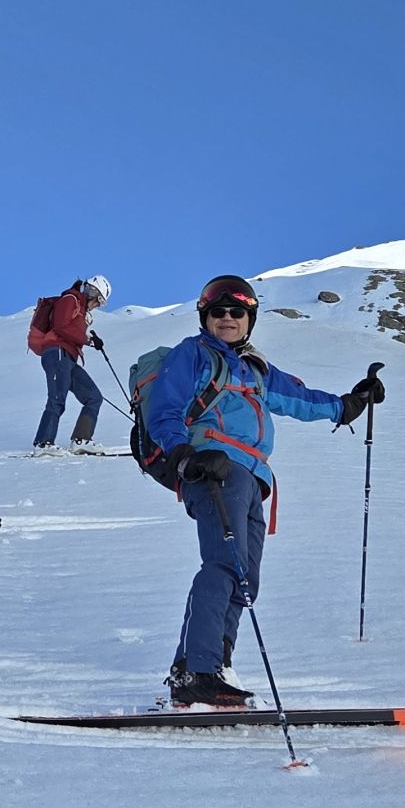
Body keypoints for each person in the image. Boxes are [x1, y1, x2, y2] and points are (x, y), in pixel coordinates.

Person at [145, 274, 386, 707]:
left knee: (245, 578)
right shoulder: (192, 354)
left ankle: (210, 668)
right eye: (218, 312)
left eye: (237, 312)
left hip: (253, 477)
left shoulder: (255, 368)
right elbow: (165, 409)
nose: (228, 318)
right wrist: (184, 454)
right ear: (205, 318)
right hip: (212, 467)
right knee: (224, 565)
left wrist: (351, 403)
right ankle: (199, 671)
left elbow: (299, 399)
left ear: (249, 319)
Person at [28, 274, 111, 452]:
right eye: (98, 301)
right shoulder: (70, 299)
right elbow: (60, 326)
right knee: (57, 398)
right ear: (92, 292)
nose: (97, 306)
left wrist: (90, 340)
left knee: (94, 397)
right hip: (56, 352)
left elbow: (71, 330)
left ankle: (81, 440)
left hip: (69, 358)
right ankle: (43, 443)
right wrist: (86, 340)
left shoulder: (81, 309)